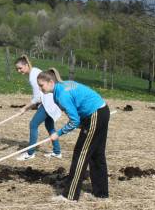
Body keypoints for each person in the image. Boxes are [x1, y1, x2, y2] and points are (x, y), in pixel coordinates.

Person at [37, 69, 110, 201]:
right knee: (96, 154)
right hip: (101, 111)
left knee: (80, 154)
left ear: (50, 82)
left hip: (95, 114)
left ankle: (70, 196)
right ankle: (101, 194)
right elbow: (77, 108)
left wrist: (57, 134)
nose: (40, 88)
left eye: (41, 85)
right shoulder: (61, 87)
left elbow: (74, 120)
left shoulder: (61, 95)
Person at [14, 55, 62, 161]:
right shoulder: (35, 71)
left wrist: (24, 108)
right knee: (49, 125)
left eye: (20, 68)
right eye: (17, 69)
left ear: (26, 65)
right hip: (51, 101)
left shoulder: (33, 76)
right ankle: (57, 152)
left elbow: (37, 98)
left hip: (48, 103)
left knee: (33, 124)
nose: (18, 70)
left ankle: (30, 153)